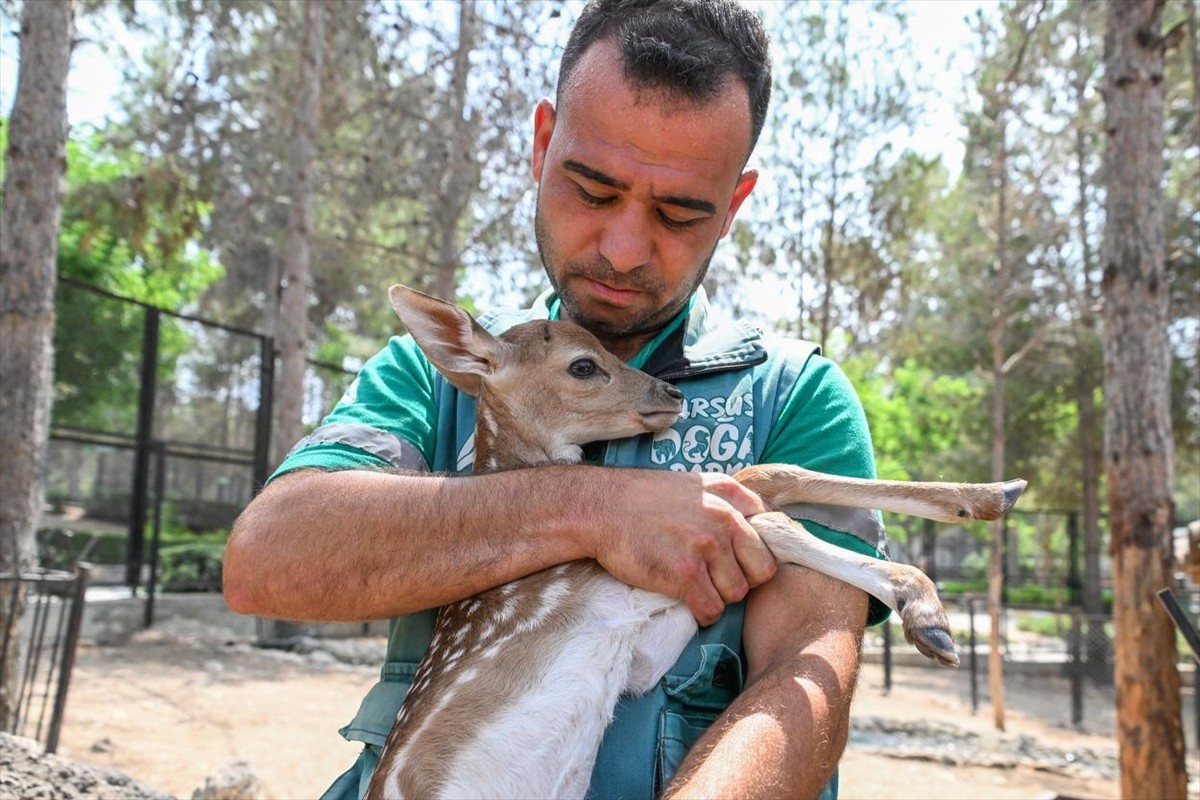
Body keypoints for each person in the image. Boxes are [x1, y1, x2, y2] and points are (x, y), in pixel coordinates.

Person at [224, 1, 888, 797]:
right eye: (592, 190)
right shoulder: (442, 372)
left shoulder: (791, 396)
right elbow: (269, 560)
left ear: (733, 205)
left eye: (679, 213)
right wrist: (595, 509)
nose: (623, 248)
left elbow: (807, 679)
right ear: (543, 145)